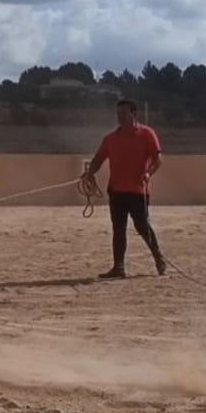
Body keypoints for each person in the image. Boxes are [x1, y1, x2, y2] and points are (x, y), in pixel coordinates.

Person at [81, 98, 167, 278]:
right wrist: (90, 173)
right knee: (118, 229)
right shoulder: (110, 139)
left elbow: (158, 159)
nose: (120, 117)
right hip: (116, 191)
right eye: (118, 114)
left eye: (124, 113)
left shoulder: (147, 134)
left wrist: (148, 174)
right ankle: (118, 267)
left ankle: (158, 256)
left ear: (133, 114)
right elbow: (98, 160)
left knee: (142, 226)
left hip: (138, 191)